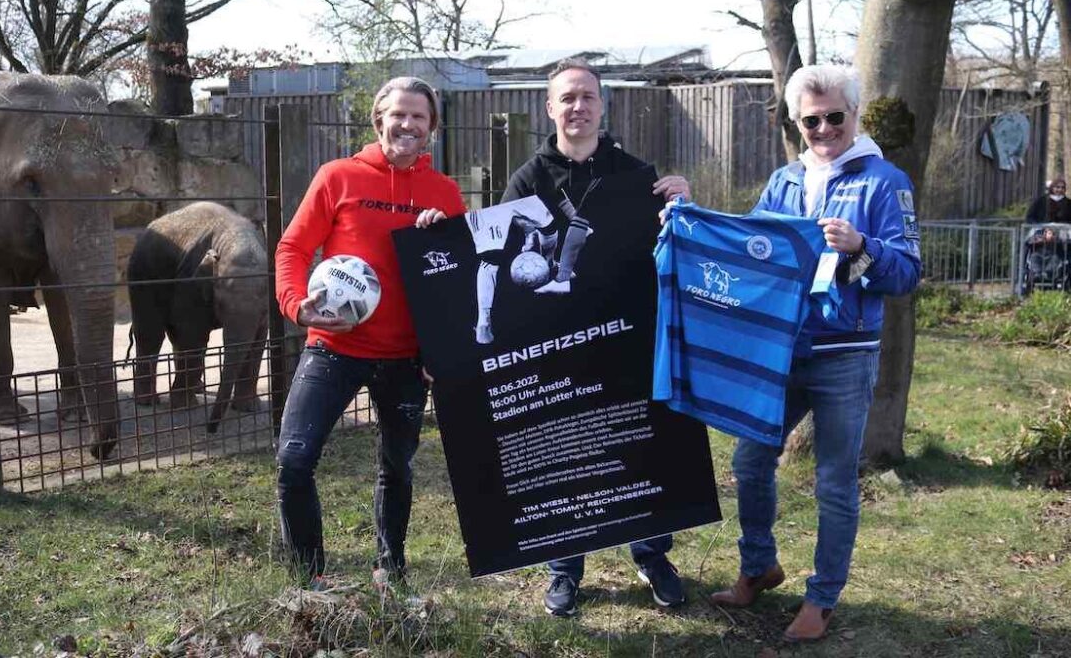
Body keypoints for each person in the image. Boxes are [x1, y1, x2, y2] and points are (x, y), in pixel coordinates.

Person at [710, 64, 921, 642]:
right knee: (750, 462)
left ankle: (821, 598)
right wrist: (687, 220)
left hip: (844, 355)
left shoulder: (884, 181)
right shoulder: (783, 180)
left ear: (854, 115)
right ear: (795, 122)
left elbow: (906, 272)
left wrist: (863, 247)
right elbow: (749, 252)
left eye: (834, 116)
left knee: (833, 482)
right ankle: (759, 566)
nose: (823, 128)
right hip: (780, 351)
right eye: (811, 119)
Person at [499, 57, 691, 617]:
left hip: (629, 337)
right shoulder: (527, 179)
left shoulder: (638, 175)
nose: (577, 107)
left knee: (641, 447)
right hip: (560, 345)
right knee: (565, 452)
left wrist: (681, 199)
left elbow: (673, 247)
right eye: (567, 98)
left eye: (587, 96)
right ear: (550, 109)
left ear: (602, 105)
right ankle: (564, 567)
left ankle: (652, 553)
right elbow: (506, 255)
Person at [273, 76, 466, 589]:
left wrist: (439, 235)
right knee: (294, 461)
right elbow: (292, 248)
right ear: (379, 118)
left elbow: (458, 278)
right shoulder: (338, 177)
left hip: (405, 358)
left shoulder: (444, 194)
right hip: (335, 347)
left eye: (418, 117)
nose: (407, 124)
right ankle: (309, 579)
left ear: (431, 128)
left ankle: (390, 567)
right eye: (398, 114)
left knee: (397, 468)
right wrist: (298, 306)